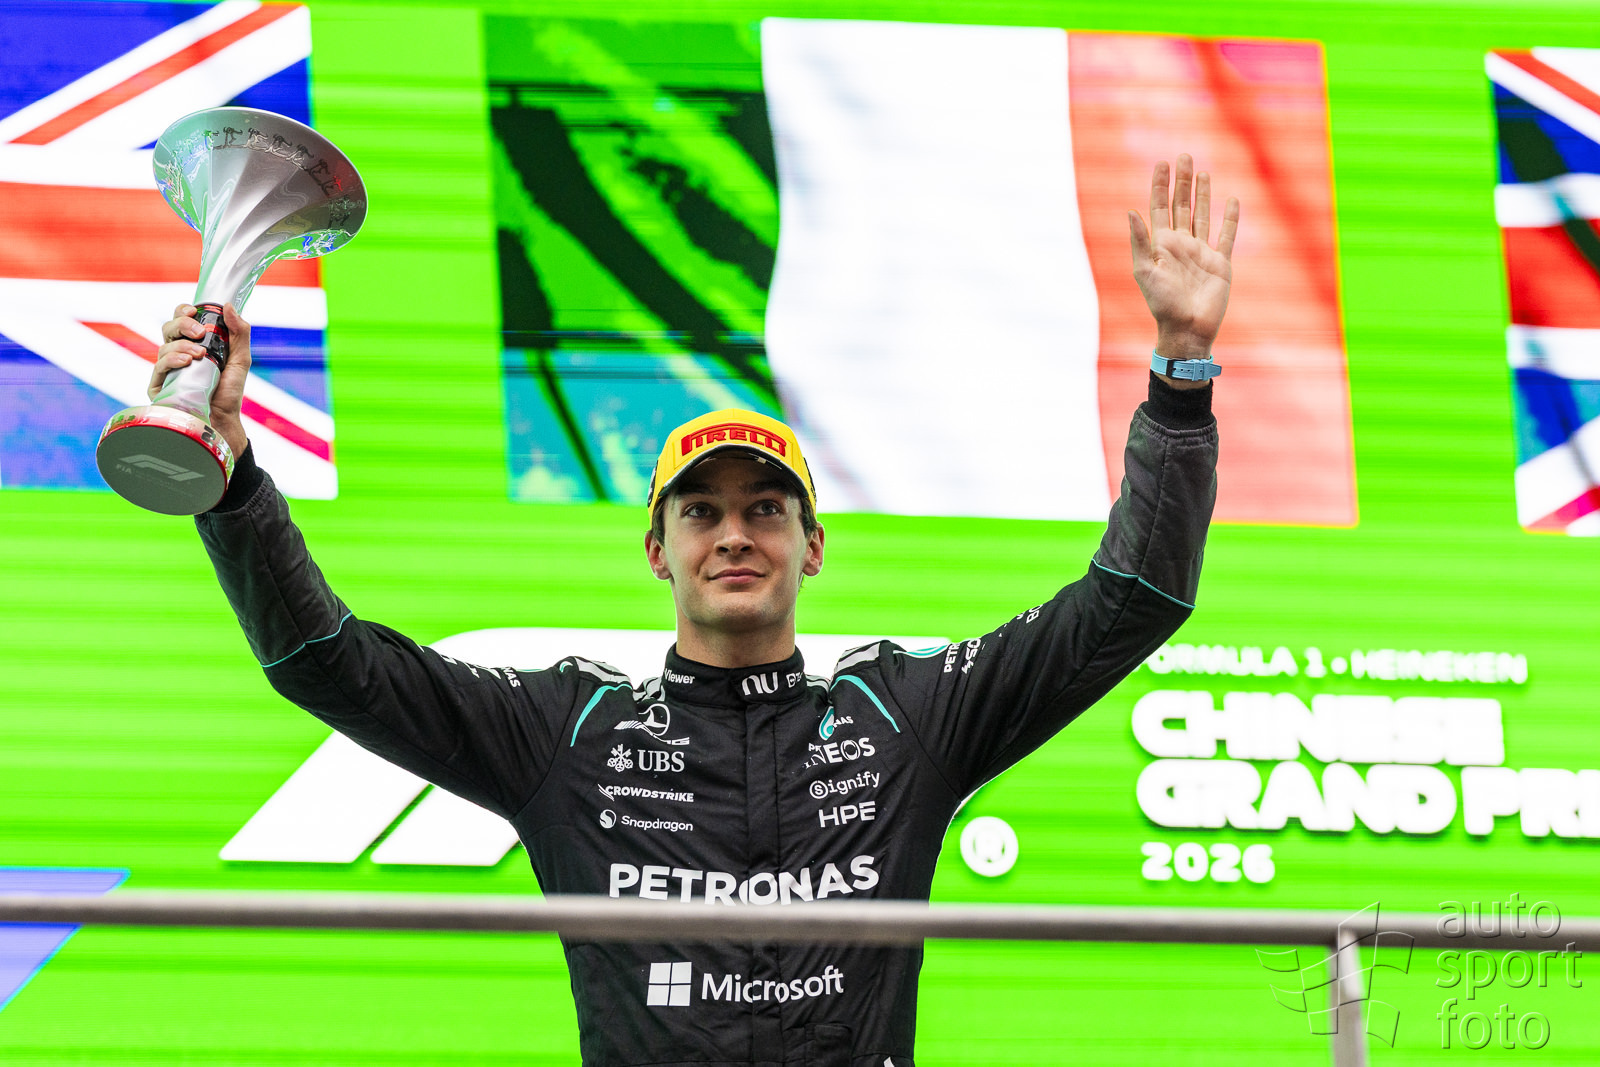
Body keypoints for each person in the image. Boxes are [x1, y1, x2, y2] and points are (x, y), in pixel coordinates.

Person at [157, 155, 1237, 1067]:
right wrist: (234, 474)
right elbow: (326, 662)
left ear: (812, 546)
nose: (734, 535)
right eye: (702, 511)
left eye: (766, 509)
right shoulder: (569, 731)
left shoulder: (903, 716)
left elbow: (1134, 597)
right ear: (657, 551)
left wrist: (1181, 369)